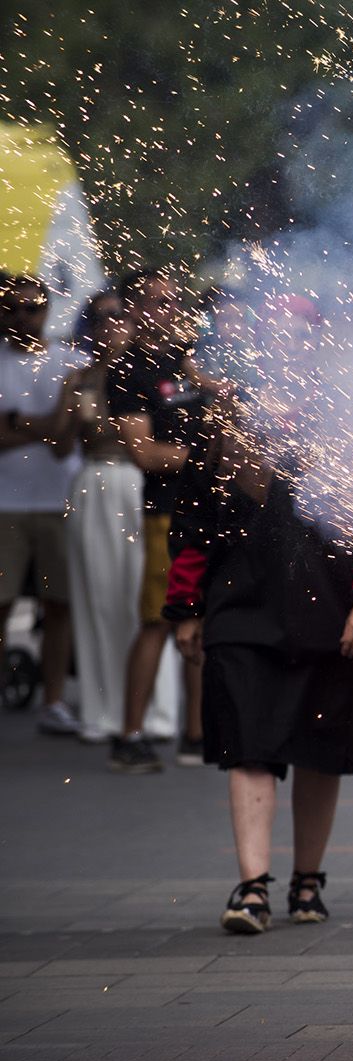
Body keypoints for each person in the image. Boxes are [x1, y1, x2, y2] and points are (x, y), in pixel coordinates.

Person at [164, 346, 353, 935]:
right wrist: (186, 610)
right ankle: (252, 889)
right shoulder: (224, 436)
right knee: (248, 745)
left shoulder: (352, 434)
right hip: (243, 616)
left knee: (320, 751)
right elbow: (193, 531)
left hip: (330, 618)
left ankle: (306, 880)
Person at [105, 268, 207, 772]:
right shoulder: (128, 370)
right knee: (157, 623)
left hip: (205, 510)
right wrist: (205, 457)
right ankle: (129, 736)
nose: (164, 310)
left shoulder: (187, 362)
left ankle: (196, 734)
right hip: (164, 514)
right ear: (133, 308)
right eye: (152, 301)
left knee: (203, 619)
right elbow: (143, 453)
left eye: (170, 301)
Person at [52, 292, 152, 745]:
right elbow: (59, 445)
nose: (115, 325)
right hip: (96, 484)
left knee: (144, 599)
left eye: (122, 316)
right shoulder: (80, 380)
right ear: (90, 327)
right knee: (96, 596)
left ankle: (151, 709)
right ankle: (101, 708)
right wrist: (68, 408)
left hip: (140, 486)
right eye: (103, 318)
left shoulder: (152, 373)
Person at [0, 273, 82, 737]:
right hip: (4, 504)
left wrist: (16, 423)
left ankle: (53, 701)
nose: (22, 316)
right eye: (13, 308)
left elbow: (62, 441)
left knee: (58, 605)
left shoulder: (70, 361)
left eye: (31, 307)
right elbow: (53, 431)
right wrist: (47, 422)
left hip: (57, 500)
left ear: (47, 310)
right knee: (2, 602)